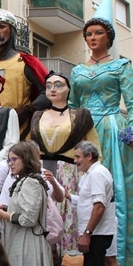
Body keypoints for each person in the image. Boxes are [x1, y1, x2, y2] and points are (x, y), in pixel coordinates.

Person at [69, 0, 133, 266]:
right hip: (87, 130)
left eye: (98, 32)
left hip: (112, 129)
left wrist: (132, 131)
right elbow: (74, 105)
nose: (92, 37)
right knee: (84, 189)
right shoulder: (77, 72)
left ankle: (120, 259)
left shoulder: (121, 66)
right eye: (88, 33)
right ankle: (82, 250)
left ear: (108, 37)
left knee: (114, 191)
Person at [29, 70, 100, 253]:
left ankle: (69, 261)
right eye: (49, 86)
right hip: (42, 169)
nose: (53, 89)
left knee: (67, 214)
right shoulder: (37, 116)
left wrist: (95, 175)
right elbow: (30, 145)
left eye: (59, 85)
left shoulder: (80, 115)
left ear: (69, 89)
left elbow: (94, 147)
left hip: (68, 171)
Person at [0, 9, 49, 139]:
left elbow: (47, 92)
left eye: (1, 26)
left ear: (12, 31)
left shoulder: (27, 63)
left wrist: (26, 111)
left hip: (19, 134)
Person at [70, 141, 116, 266]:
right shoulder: (91, 174)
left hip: (97, 234)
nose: (75, 161)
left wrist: (87, 233)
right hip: (96, 233)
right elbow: (87, 202)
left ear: (89, 156)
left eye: (78, 157)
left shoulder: (97, 174)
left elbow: (99, 206)